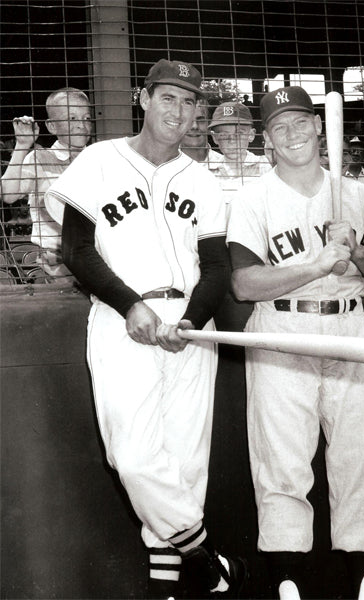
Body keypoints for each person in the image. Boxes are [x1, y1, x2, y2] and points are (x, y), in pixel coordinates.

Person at [46, 58, 246, 600]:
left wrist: (192, 321)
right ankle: (204, 554)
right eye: (168, 98)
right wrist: (129, 303)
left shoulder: (202, 180)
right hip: (121, 317)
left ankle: (170, 588)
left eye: (189, 102)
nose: (179, 111)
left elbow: (218, 267)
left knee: (183, 463)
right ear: (144, 98)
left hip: (187, 325)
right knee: (132, 456)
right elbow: (77, 249)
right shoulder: (98, 160)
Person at [226, 86, 364, 600]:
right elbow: (243, 284)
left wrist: (357, 253)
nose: (293, 133)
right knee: (281, 460)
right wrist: (316, 265)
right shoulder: (253, 198)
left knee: (360, 457)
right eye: (280, 127)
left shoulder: (358, 194)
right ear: (267, 141)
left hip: (349, 323)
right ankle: (287, 582)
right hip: (282, 332)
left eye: (301, 121)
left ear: (317, 127)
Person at [0, 87, 92, 282]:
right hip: (54, 262)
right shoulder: (40, 158)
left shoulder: (99, 158)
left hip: (96, 258)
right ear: (51, 126)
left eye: (86, 118)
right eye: (72, 119)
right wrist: (23, 145)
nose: (81, 125)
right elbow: (8, 194)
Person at [208, 101, 272, 206]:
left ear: (251, 135)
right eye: (224, 135)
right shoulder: (207, 172)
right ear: (215, 138)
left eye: (239, 133)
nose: (232, 140)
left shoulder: (266, 167)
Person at [180, 97, 222, 164]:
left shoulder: (224, 164)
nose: (194, 126)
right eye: (188, 120)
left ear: (209, 125)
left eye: (201, 120)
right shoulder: (163, 166)